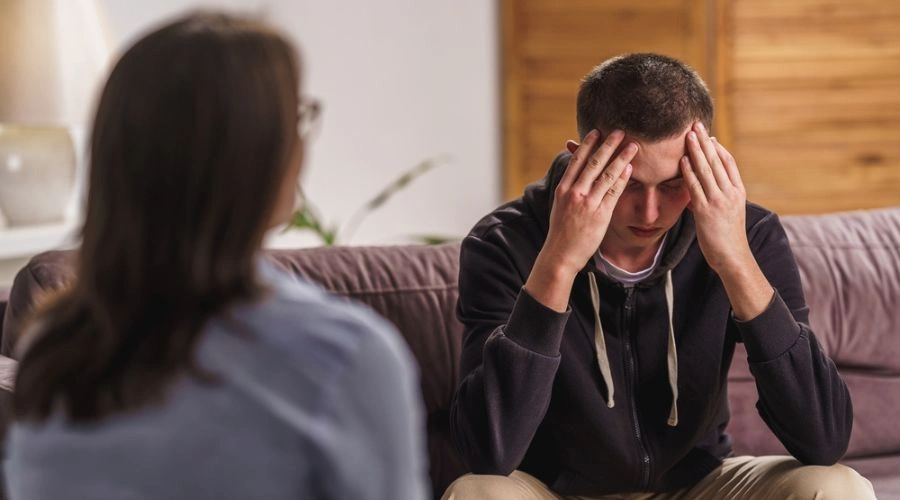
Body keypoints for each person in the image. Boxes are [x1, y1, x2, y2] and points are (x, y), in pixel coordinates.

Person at [5, 12, 428, 500]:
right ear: (255, 156)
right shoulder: (344, 357)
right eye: (296, 117)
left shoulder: (53, 351)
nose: (303, 141)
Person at [444, 53, 874, 499]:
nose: (650, 213)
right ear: (580, 162)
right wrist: (559, 260)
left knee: (834, 486)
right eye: (629, 184)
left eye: (672, 185)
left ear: (705, 163)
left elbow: (824, 438)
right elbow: (488, 453)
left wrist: (734, 260)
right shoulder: (503, 243)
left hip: (698, 486)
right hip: (557, 492)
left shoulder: (749, 234)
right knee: (478, 492)